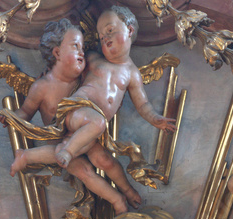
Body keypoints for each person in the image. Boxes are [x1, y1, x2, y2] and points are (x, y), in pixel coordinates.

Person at [0, 17, 142, 214]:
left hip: (83, 136)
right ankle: (117, 201)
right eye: (76, 46)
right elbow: (26, 112)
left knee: (106, 161)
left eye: (83, 47)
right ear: (57, 52)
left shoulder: (84, 78)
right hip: (62, 139)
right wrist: (11, 117)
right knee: (84, 171)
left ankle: (127, 189)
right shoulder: (42, 86)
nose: (82, 52)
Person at [47, 6, 175, 169]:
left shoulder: (132, 73)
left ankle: (27, 157)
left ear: (129, 30)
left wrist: (154, 118)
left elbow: (142, 104)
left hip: (91, 128)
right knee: (93, 127)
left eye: (110, 30)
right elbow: (69, 66)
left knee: (100, 160)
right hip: (78, 110)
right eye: (101, 37)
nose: (105, 38)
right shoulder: (93, 58)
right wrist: (52, 72)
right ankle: (67, 152)